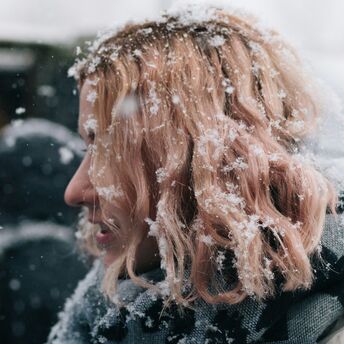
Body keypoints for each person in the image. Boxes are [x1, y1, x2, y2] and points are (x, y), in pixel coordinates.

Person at [47, 4, 344, 343]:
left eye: (113, 153)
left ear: (211, 163)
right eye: (89, 150)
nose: (74, 191)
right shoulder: (103, 312)